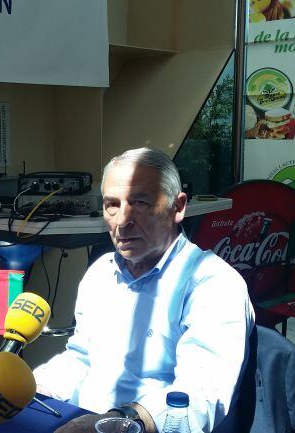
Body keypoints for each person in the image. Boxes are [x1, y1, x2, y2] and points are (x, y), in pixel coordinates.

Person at [34, 148, 255, 433]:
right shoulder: (100, 273)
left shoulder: (213, 284)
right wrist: (36, 387)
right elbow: (81, 357)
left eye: (139, 202)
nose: (122, 220)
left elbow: (199, 395)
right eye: (111, 204)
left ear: (178, 207)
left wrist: (120, 423)